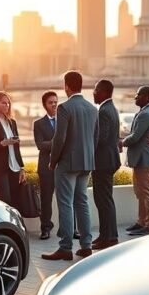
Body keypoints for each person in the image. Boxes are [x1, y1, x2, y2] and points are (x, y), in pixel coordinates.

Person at [42, 71, 98, 261]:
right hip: (87, 162)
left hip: (67, 164)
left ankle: (65, 247)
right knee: (82, 202)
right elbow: (95, 138)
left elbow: (59, 139)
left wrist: (53, 161)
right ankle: (86, 245)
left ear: (67, 86)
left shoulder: (65, 108)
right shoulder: (92, 109)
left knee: (65, 203)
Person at [122, 86, 149, 236]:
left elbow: (135, 137)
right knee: (140, 193)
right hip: (142, 158)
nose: (135, 98)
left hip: (144, 158)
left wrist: (121, 142)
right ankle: (141, 222)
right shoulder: (148, 112)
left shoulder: (146, 115)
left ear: (146, 97)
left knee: (146, 192)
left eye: (138, 95)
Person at [91, 79, 120, 250]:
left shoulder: (103, 111)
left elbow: (100, 138)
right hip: (109, 160)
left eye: (95, 90)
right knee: (105, 200)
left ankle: (108, 238)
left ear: (103, 92)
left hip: (103, 162)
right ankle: (108, 235)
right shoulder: (111, 108)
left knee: (103, 200)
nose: (93, 93)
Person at [33, 91, 59, 240]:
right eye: (51, 102)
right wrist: (58, 142)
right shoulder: (38, 124)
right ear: (45, 105)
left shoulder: (64, 121)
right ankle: (45, 228)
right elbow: (40, 145)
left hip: (63, 166)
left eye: (56, 102)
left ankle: (71, 229)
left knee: (67, 199)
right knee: (46, 199)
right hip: (46, 167)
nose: (54, 104)